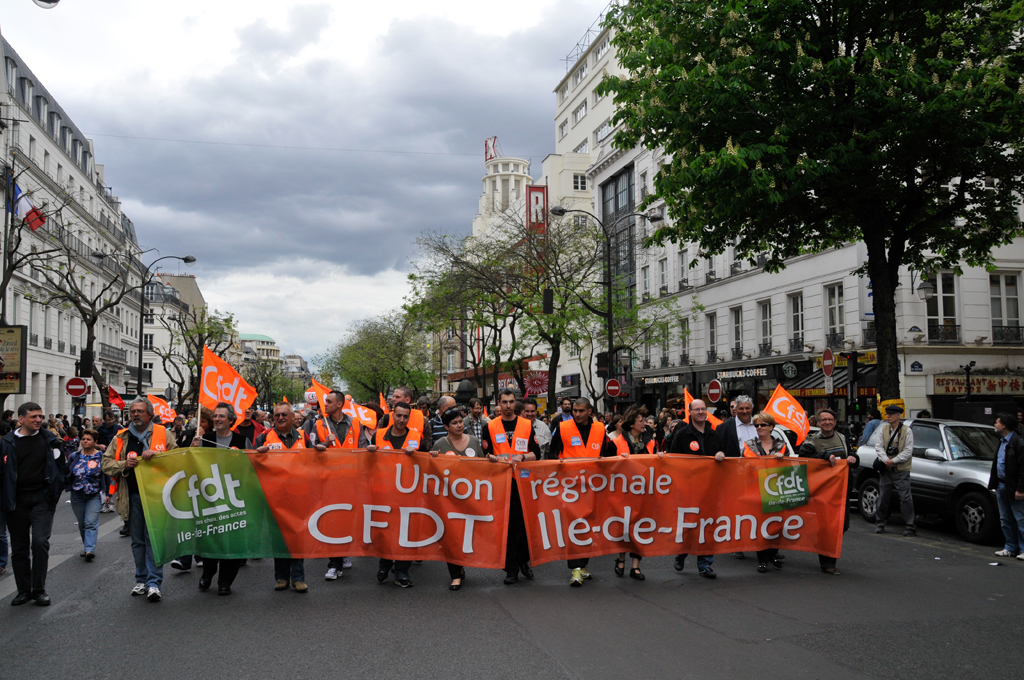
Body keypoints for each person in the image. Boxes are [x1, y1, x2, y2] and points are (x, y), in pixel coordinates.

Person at [102, 398, 175, 602]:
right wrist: (125, 464)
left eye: (140, 411)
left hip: (157, 496)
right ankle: (141, 580)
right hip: (132, 495)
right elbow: (106, 463)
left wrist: (158, 455)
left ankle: (154, 582)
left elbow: (177, 458)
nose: (135, 414)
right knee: (137, 540)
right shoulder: (120, 437)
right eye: (133, 411)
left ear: (150, 414)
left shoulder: (163, 433)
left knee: (153, 539)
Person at [0, 402, 67, 606]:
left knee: (39, 542)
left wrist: (53, 494)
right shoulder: (7, 443)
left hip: (42, 499)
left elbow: (60, 469)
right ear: (21, 419)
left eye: (40, 416)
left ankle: (39, 590)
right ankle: (23, 591)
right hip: (16, 502)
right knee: (19, 548)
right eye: (33, 417)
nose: (38, 420)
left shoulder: (50, 441)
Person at [548, 397, 618, 587]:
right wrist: (559, 464)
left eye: (580, 411)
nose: (576, 414)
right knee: (576, 524)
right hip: (571, 486)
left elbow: (610, 452)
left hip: (594, 486)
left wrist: (616, 457)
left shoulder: (599, 429)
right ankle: (576, 568)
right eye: (575, 410)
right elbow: (552, 452)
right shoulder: (562, 428)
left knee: (589, 524)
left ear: (590, 412)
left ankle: (584, 564)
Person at [304, 390, 371, 580]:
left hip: (351, 481)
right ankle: (334, 564)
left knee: (347, 519)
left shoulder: (355, 424)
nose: (325, 404)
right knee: (332, 519)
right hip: (328, 482)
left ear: (340, 404)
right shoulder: (316, 424)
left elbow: (363, 447)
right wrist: (324, 443)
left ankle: (343, 552)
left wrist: (370, 449)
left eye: (329, 401)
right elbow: (308, 450)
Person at [366, 401, 430, 587]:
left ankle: (402, 571)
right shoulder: (378, 435)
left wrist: (418, 454)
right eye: (399, 415)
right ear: (392, 416)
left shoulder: (416, 437)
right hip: (383, 492)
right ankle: (384, 564)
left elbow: (428, 463)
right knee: (385, 531)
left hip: (409, 494)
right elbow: (367, 464)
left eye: (405, 416)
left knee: (406, 532)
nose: (402, 419)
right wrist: (370, 452)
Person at [189, 402, 250, 595]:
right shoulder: (204, 439)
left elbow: (252, 466)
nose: (216, 419)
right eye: (215, 416)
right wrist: (192, 448)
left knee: (232, 540)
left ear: (231, 420)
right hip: (209, 499)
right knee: (210, 538)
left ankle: (225, 581)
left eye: (221, 416)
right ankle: (208, 572)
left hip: (234, 498)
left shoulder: (241, 440)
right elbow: (190, 465)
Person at [482, 388, 540, 585]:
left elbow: (536, 453)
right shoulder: (490, 426)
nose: (508, 406)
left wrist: (522, 456)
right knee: (507, 526)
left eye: (511, 402)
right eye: (504, 402)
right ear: (498, 403)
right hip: (502, 483)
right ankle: (511, 569)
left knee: (524, 526)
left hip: (523, 482)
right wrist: (489, 459)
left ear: (516, 403)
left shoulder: (526, 424)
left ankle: (524, 560)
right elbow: (485, 455)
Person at [254, 402, 313, 593]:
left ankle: (298, 578)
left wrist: (320, 450)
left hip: (299, 495)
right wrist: (259, 455)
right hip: (275, 495)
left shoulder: (304, 437)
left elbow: (314, 462)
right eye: (277, 415)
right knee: (277, 536)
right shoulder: (263, 437)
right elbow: (253, 464)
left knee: (297, 536)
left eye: (284, 415)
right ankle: (281, 577)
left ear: (291, 416)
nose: (280, 418)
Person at [668, 399, 727, 579]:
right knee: (690, 525)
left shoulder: (714, 434)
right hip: (689, 490)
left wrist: (721, 454)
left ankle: (705, 564)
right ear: (690, 412)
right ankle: (682, 553)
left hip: (710, 489)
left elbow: (726, 457)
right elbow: (673, 460)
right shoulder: (682, 435)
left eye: (703, 409)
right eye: (697, 409)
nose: (701, 412)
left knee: (707, 526)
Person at [798, 408, 860, 574]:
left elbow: (853, 456)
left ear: (835, 421)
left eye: (830, 419)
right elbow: (804, 456)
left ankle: (825, 551)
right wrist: (824, 456)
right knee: (827, 526)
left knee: (842, 526)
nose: (827, 422)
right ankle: (827, 563)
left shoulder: (843, 438)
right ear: (818, 423)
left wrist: (854, 458)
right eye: (823, 420)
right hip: (823, 491)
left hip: (842, 489)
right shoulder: (812, 440)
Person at [430, 408, 483, 590]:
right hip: (448, 500)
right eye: (454, 423)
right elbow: (431, 471)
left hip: (471, 498)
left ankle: (461, 563)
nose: (459, 425)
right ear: (446, 426)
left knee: (467, 534)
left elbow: (483, 469)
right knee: (451, 535)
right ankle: (455, 574)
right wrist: (433, 458)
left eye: (461, 421)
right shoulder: (439, 444)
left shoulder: (474, 442)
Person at [609, 405, 653, 580]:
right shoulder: (615, 443)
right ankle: (621, 558)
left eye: (645, 420)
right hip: (622, 492)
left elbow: (653, 464)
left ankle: (636, 565)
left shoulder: (650, 441)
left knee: (640, 527)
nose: (645, 424)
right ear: (631, 423)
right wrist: (619, 462)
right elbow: (607, 468)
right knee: (623, 527)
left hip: (643, 492)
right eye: (641, 421)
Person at [874, 405, 915, 536]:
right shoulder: (884, 429)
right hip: (886, 470)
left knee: (905, 499)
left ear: (898, 416)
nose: (888, 417)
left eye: (891, 414)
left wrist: (894, 461)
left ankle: (910, 526)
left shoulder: (907, 431)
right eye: (887, 414)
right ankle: (880, 523)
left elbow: (908, 451)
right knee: (883, 497)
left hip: (901, 470)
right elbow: (878, 446)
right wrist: (886, 460)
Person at [989, 413, 1024, 560]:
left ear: (1004, 425)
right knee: (1005, 519)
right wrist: (995, 483)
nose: (995, 424)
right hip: (1002, 485)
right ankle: (1010, 547)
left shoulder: (1018, 442)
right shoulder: (1002, 441)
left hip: (1014, 487)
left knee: (1020, 519)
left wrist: (1021, 489)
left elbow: (1023, 468)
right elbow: (998, 464)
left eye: (997, 422)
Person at [67, 429, 104, 563]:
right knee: (82, 523)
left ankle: (89, 549)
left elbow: (106, 475)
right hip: (77, 494)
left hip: (94, 493)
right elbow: (67, 472)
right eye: (83, 439)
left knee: (90, 522)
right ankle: (86, 546)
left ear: (95, 442)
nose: (85, 441)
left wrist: (109, 493)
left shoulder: (101, 456)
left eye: (88, 439)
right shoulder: (74, 456)